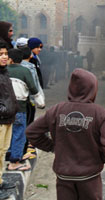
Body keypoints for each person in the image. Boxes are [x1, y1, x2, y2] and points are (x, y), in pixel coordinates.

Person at [26, 68, 105, 200]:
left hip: (64, 176)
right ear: (93, 89)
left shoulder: (57, 110)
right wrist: (99, 159)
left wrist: (53, 147)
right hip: (89, 177)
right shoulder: (100, 114)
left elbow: (32, 132)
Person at [7, 49, 38, 171]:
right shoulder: (25, 70)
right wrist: (39, 102)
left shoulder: (3, 71)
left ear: (10, 59)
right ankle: (15, 161)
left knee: (6, 132)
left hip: (4, 108)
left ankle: (8, 155)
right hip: (20, 108)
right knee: (19, 133)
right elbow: (33, 88)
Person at [19, 46, 45, 160]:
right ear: (29, 55)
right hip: (29, 100)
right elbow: (34, 85)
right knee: (28, 123)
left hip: (18, 100)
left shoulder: (16, 66)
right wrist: (40, 100)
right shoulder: (30, 67)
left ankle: (19, 148)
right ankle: (25, 148)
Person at [0, 42, 17, 200]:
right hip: (1, 119)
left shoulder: (4, 72)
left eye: (5, 53)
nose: (4, 56)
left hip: (7, 119)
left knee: (3, 151)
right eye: (0, 54)